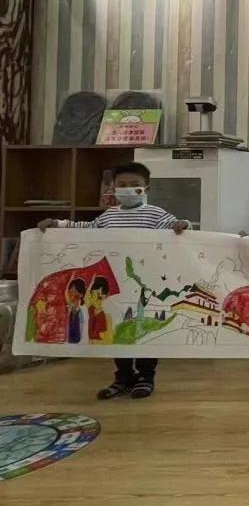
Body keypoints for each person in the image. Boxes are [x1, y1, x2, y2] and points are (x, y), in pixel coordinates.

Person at [38, 162, 188, 400]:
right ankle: (123, 377)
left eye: (134, 184)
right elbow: (88, 229)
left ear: (146, 187)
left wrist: (182, 225)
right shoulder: (109, 216)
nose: (128, 189)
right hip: (115, 283)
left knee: (143, 329)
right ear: (113, 188)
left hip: (144, 283)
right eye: (122, 185)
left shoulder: (155, 214)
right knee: (117, 328)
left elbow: (176, 227)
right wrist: (59, 225)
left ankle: (146, 377)